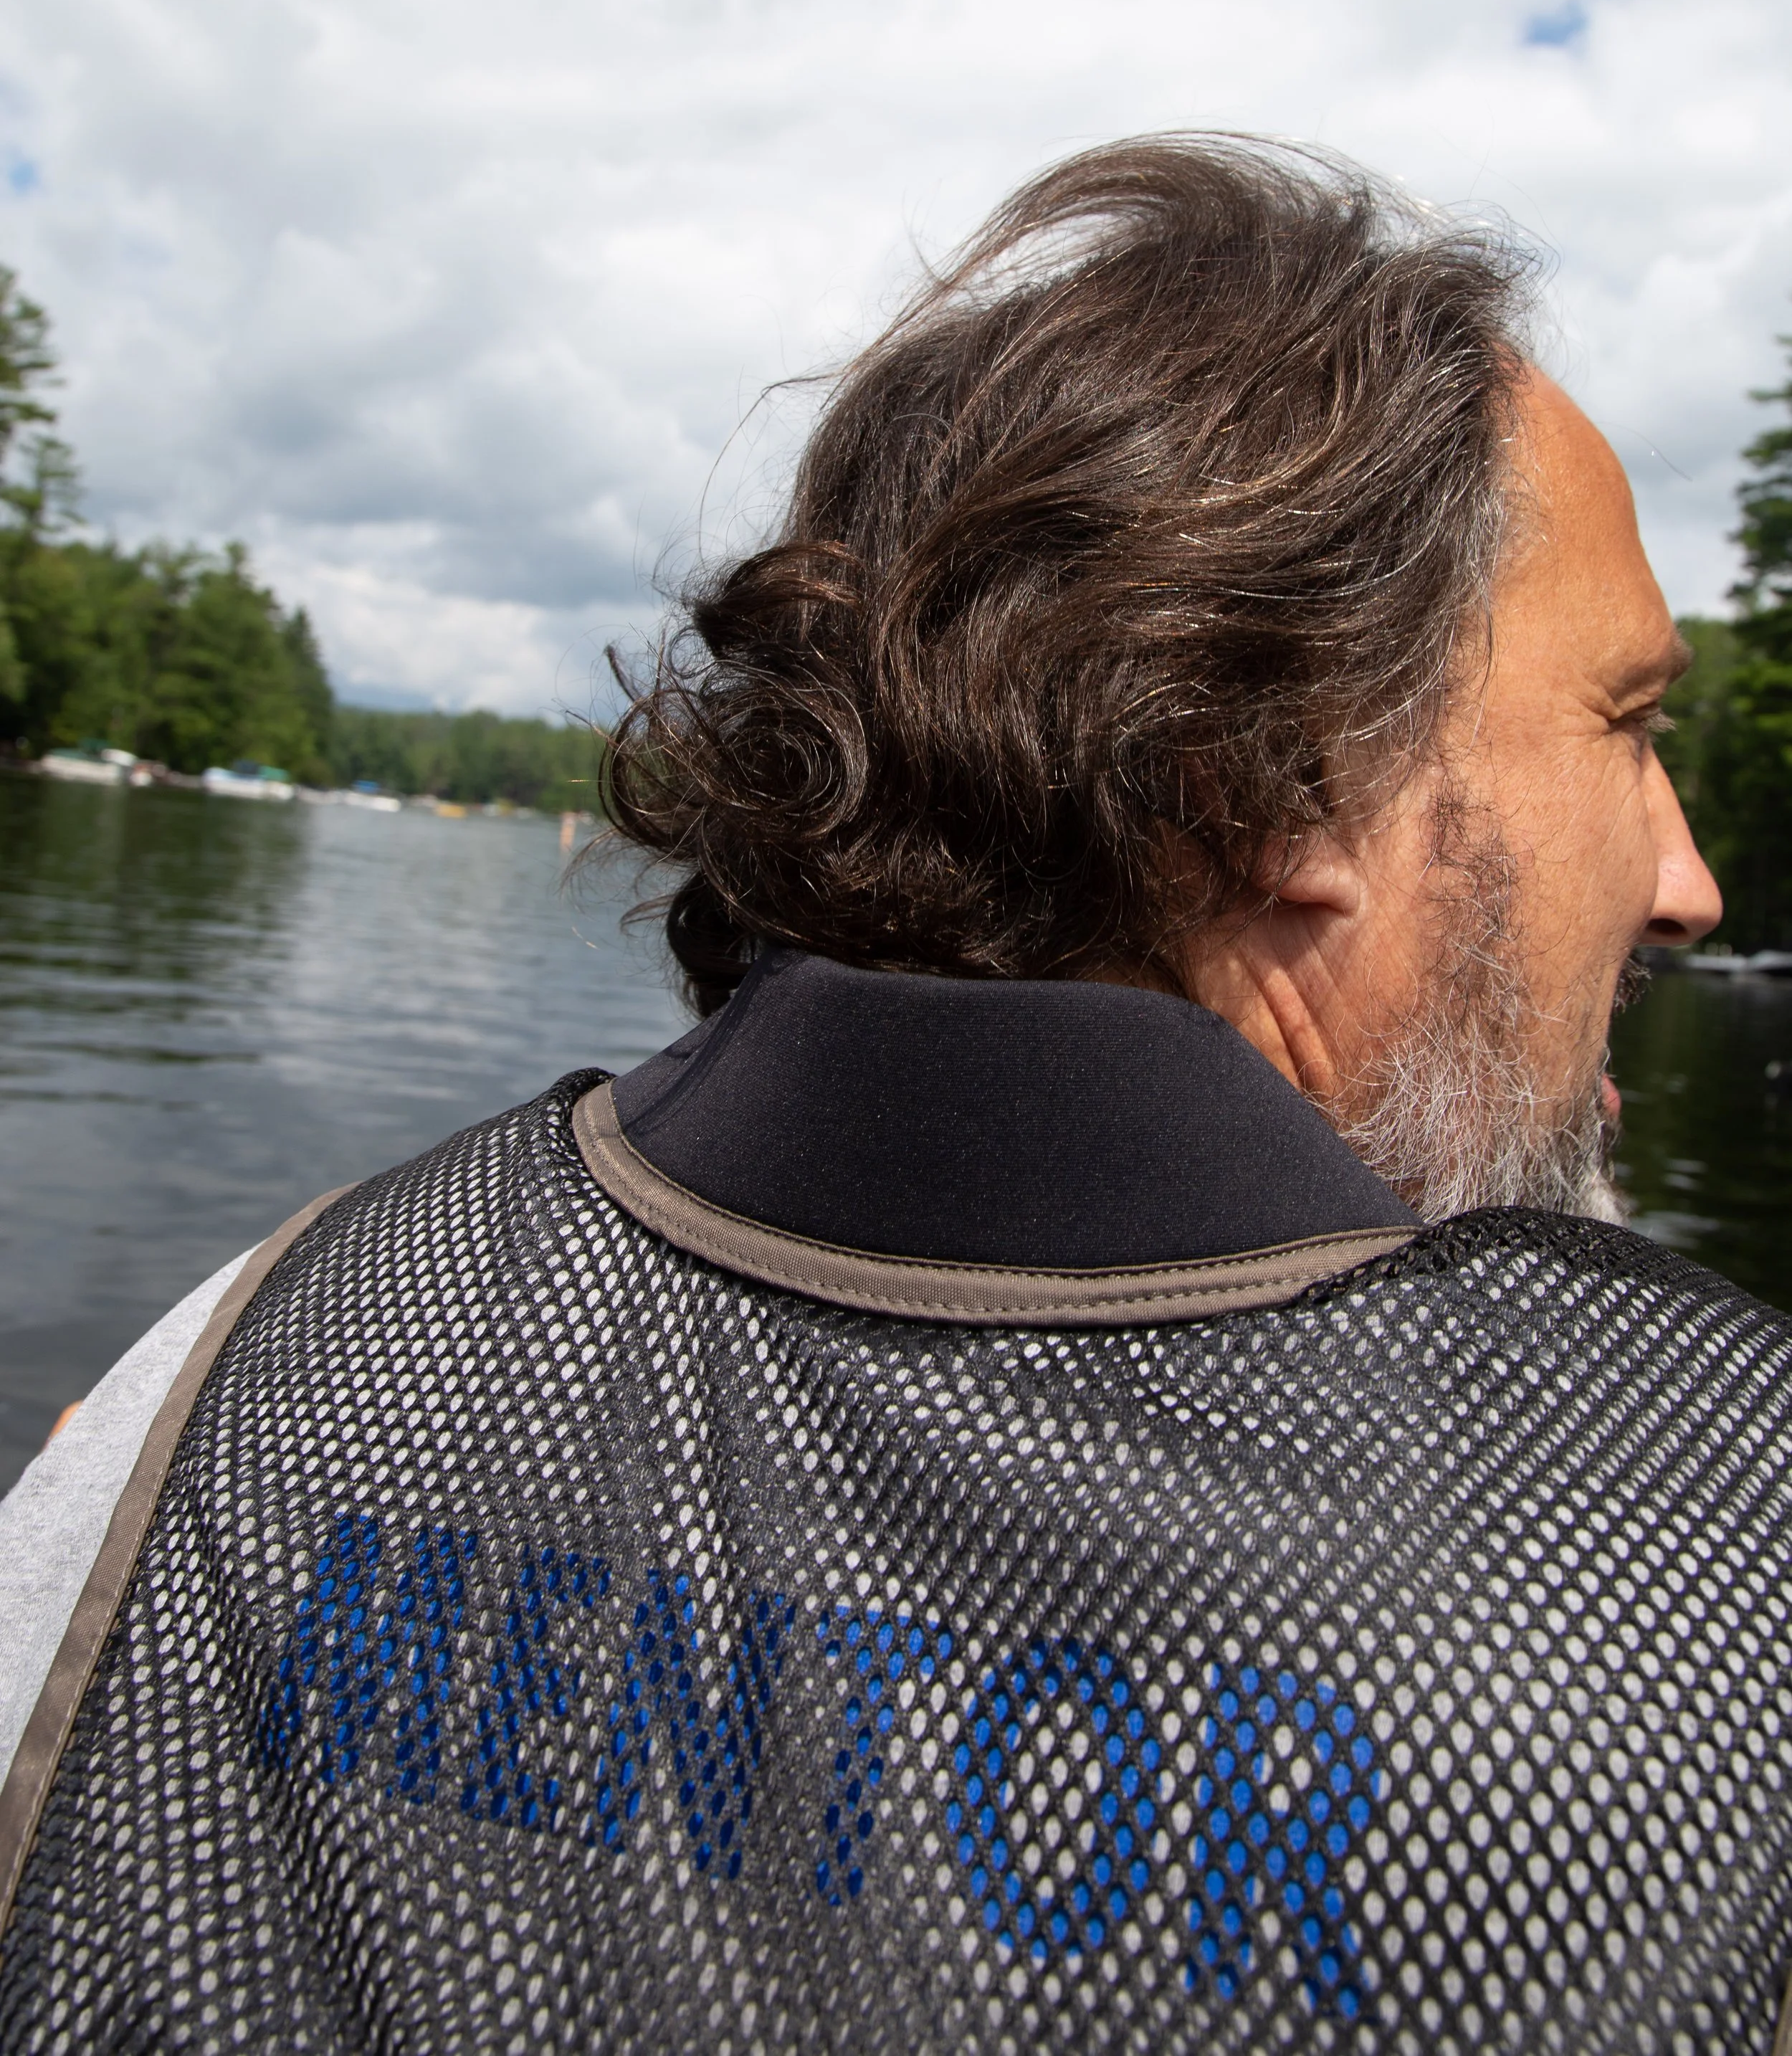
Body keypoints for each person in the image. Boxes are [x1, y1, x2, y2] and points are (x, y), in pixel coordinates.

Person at [0, 134, 1782, 2056]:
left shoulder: (237, 1369)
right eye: (1623, 726)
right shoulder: (1726, 1560)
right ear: (1267, 779)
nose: (1684, 876)